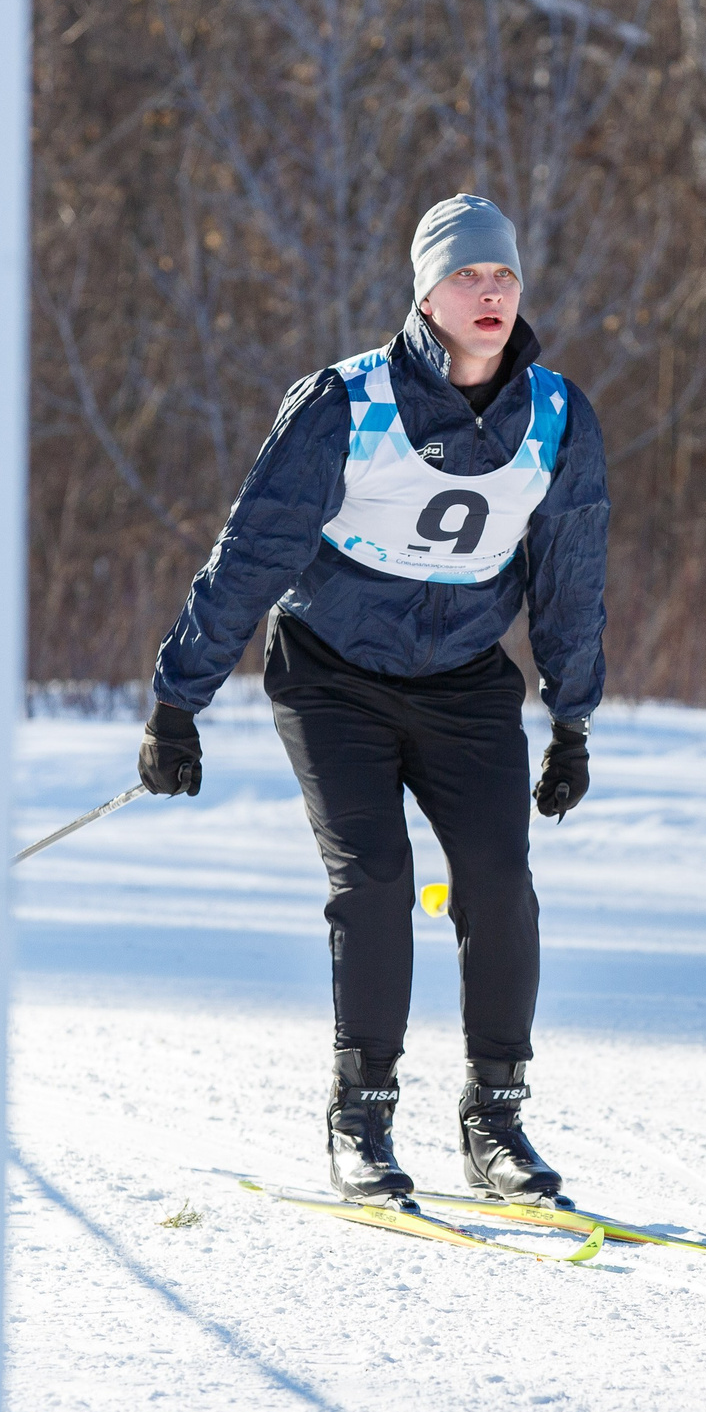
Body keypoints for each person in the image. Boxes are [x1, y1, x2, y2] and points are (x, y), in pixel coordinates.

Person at [134, 195, 608, 1211]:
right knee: (375, 880)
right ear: (425, 293)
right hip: (333, 677)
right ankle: (361, 1117)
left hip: (466, 683)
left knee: (496, 878)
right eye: (467, 277)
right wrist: (180, 700)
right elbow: (253, 553)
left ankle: (495, 1122)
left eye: (503, 277)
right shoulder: (346, 403)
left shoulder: (558, 416)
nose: (489, 294)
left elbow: (571, 575)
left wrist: (571, 720)